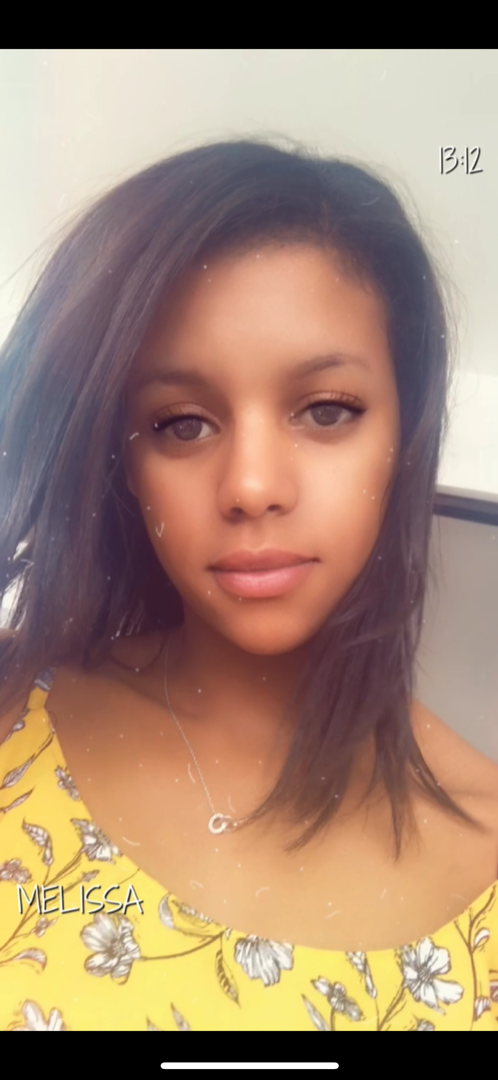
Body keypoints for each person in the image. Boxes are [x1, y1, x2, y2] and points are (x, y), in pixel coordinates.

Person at [0, 138, 497, 1033]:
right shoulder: (9, 710)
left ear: (405, 437)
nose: (252, 486)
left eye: (326, 411)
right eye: (182, 423)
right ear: (125, 465)